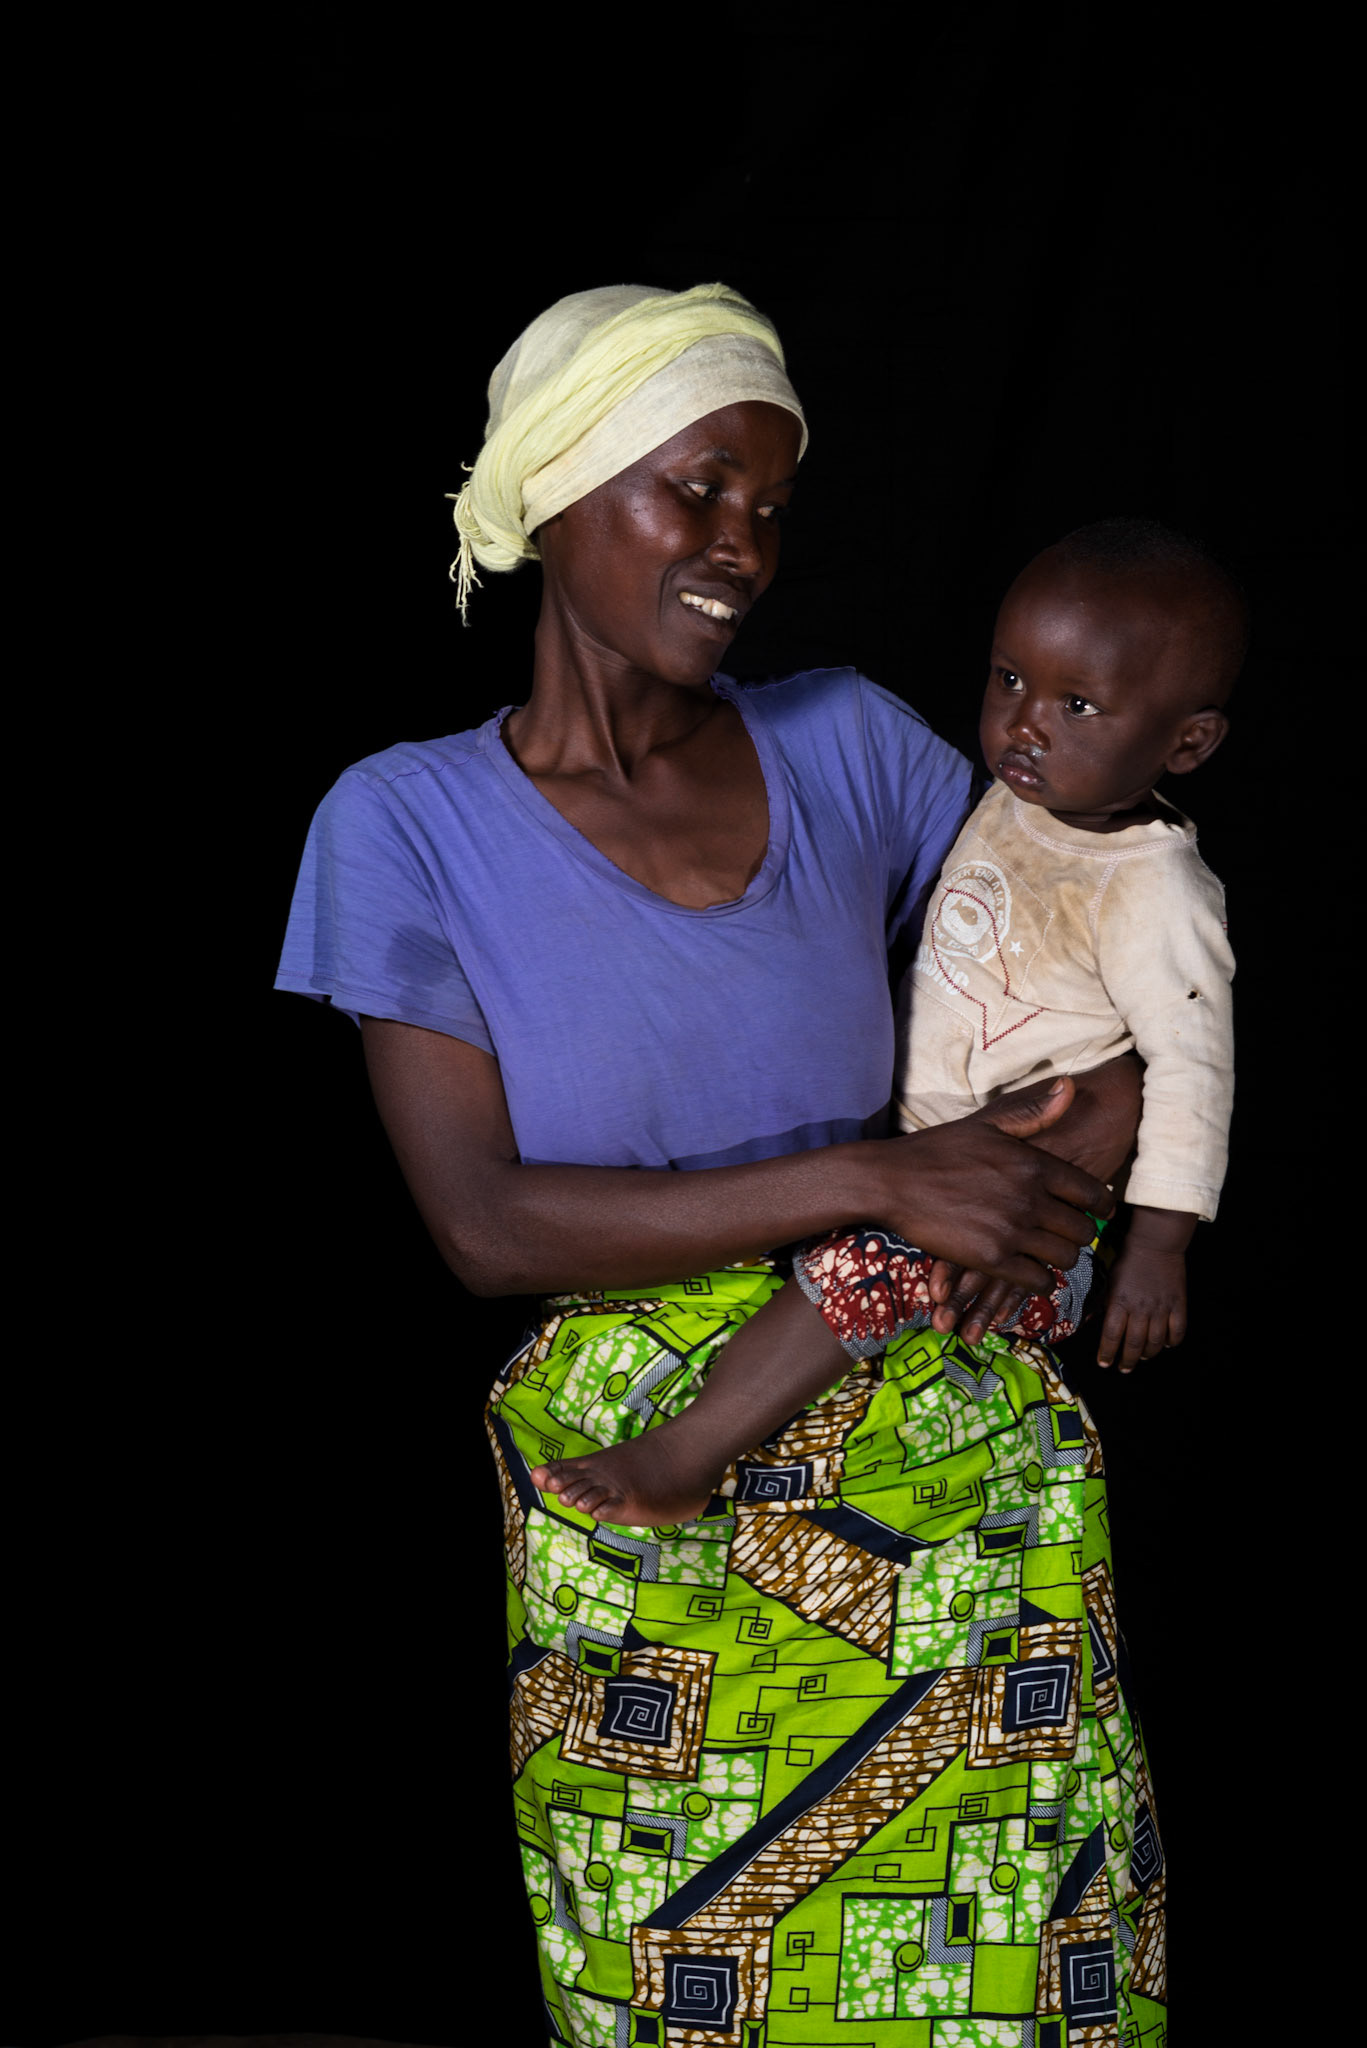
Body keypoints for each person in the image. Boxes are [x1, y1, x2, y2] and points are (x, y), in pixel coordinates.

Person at [277, 283, 1164, 2045]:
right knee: (689, 1982)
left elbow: (1094, 1010)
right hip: (648, 1495)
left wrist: (1009, 1178)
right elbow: (484, 1226)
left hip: (942, 1477)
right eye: (692, 489)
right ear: (554, 490)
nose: (741, 546)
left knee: (1012, 1961)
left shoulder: (847, 741)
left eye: (766, 505)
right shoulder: (404, 823)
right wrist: (878, 1178)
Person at [536, 517, 1240, 1531]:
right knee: (856, 1251)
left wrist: (1156, 1249)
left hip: (1025, 1213)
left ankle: (684, 1455)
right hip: (926, 1166)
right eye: (1009, 680)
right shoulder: (1016, 804)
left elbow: (1191, 1068)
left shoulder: (1155, 886)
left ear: (1186, 742)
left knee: (857, 1271)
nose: (1025, 724)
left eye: (1076, 705)